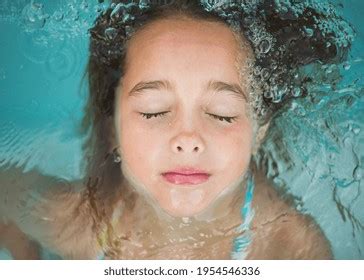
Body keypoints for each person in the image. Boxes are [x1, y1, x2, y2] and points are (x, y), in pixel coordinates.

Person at [0, 0, 353, 259]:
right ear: (113, 126)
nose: (188, 140)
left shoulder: (290, 247)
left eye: (222, 114)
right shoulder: (75, 224)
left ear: (259, 130)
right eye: (154, 112)